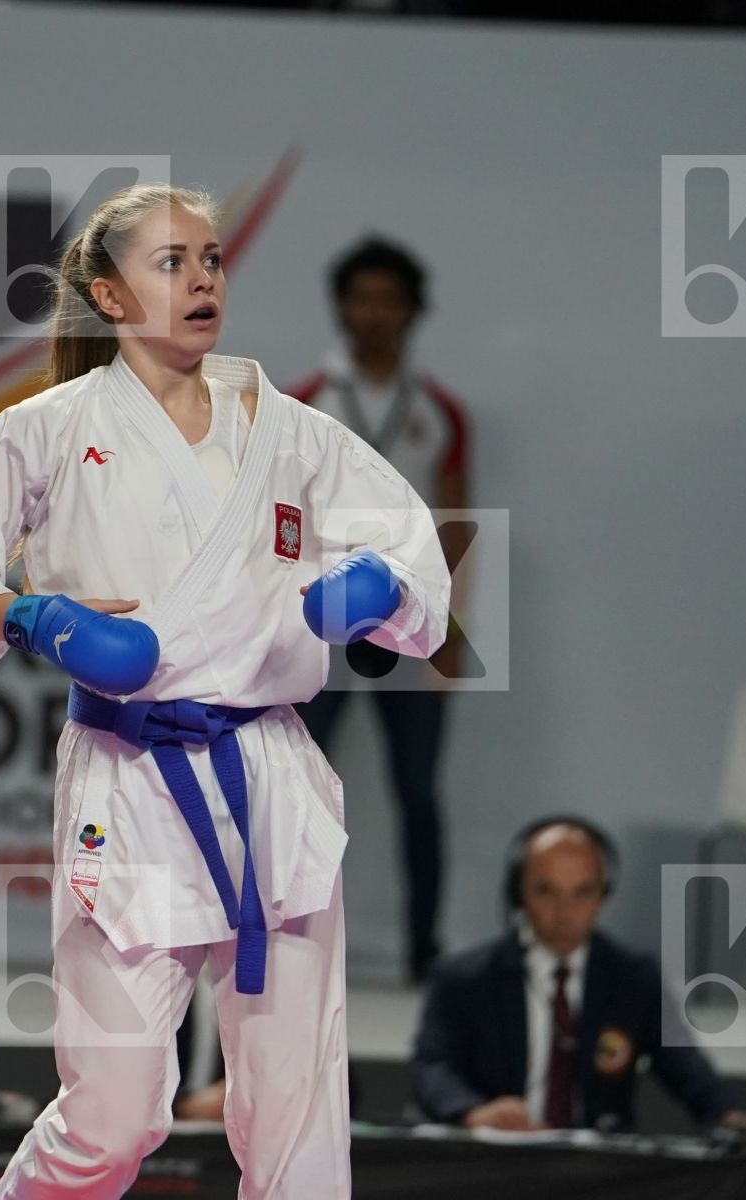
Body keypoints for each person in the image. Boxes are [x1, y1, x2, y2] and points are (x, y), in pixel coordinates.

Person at [0, 183, 450, 1198]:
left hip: (270, 775)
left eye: (212, 260)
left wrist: (380, 591)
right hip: (130, 773)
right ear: (108, 296)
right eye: (172, 263)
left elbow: (419, 555)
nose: (203, 278)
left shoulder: (293, 430)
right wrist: (34, 618)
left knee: (298, 1123)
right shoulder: (46, 429)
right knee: (112, 1121)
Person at [290, 237, 472, 984]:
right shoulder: (305, 401)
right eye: (362, 298)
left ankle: (423, 953)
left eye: (389, 300)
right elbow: (283, 519)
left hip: (410, 619)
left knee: (419, 792)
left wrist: (450, 626)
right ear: (342, 306)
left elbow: (456, 520)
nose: (374, 313)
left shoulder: (438, 410)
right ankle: (289, 933)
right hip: (322, 622)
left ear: (411, 311)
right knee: (295, 786)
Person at [409, 817, 746, 1149]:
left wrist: (731, 1117)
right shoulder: (464, 978)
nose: (563, 913)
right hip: (498, 1165)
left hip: (598, 1174)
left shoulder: (632, 976)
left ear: (602, 895)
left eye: (581, 892)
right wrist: (473, 1113)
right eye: (546, 891)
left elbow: (685, 1068)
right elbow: (432, 1067)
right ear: (518, 894)